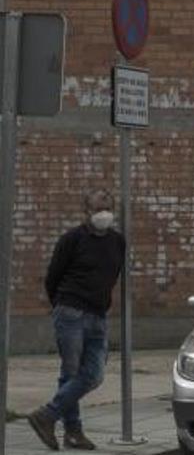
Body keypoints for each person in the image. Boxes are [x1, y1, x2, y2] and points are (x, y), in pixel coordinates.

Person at [26, 189, 126, 451]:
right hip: (70, 311)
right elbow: (53, 277)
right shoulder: (72, 239)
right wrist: (61, 305)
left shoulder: (117, 241)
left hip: (98, 315)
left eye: (107, 208)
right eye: (97, 210)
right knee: (71, 372)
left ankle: (47, 415)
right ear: (86, 212)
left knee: (92, 375)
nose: (103, 214)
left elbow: (113, 274)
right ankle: (73, 432)